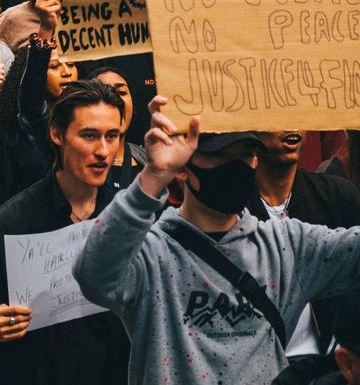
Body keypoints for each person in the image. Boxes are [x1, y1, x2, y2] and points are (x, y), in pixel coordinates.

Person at [73, 99, 360, 385]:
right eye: (222, 156)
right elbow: (94, 276)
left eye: (246, 155)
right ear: (184, 167)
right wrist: (153, 177)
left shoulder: (285, 245)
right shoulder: (151, 254)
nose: (236, 167)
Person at [0, 80, 130, 384]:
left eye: (112, 136)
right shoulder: (8, 225)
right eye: (89, 136)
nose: (103, 151)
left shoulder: (127, 221)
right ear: (57, 134)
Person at [246, 131, 360, 359]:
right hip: (260, 364)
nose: (292, 126)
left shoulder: (337, 196)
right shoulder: (232, 207)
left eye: (297, 114)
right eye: (276, 113)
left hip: (329, 362)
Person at [0, 0, 75, 229]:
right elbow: (31, 99)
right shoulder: (27, 122)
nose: (67, 72)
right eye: (54, 67)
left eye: (71, 65)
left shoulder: (80, 119)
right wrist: (46, 30)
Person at [89, 66, 146, 190]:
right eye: (105, 92)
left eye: (121, 92)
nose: (116, 99)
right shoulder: (75, 161)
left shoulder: (150, 161)